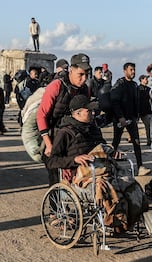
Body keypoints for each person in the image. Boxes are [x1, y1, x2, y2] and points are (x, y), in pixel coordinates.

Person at [37, 53, 92, 186]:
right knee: (56, 178)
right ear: (71, 70)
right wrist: (49, 145)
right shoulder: (56, 86)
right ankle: (55, 205)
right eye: (81, 74)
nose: (84, 79)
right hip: (53, 137)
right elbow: (41, 115)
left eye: (86, 75)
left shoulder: (85, 90)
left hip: (72, 138)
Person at [46, 95, 105, 182]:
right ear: (78, 113)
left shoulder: (94, 128)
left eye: (93, 110)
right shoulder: (65, 132)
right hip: (82, 175)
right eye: (89, 111)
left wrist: (112, 152)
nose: (93, 113)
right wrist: (74, 159)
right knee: (103, 186)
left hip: (100, 169)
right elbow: (52, 161)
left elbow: (102, 146)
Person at [110, 62, 151, 176]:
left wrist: (136, 115)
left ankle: (140, 166)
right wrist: (120, 117)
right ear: (125, 71)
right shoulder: (119, 84)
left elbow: (136, 101)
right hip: (119, 118)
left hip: (131, 118)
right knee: (116, 142)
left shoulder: (134, 85)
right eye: (131, 70)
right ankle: (110, 165)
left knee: (136, 142)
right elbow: (115, 102)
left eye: (134, 70)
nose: (133, 72)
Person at [138, 75, 152, 146]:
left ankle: (149, 140)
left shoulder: (149, 89)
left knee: (149, 126)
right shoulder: (137, 89)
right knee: (146, 126)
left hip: (148, 111)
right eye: (145, 79)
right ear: (141, 80)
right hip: (140, 111)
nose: (147, 80)